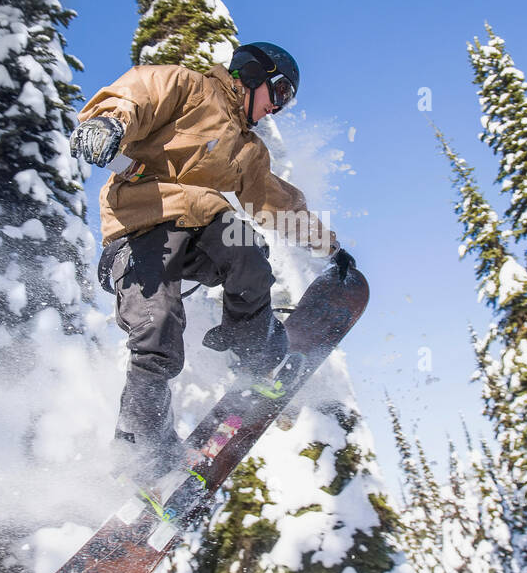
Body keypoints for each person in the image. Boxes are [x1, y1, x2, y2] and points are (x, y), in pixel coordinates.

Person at [69, 41, 354, 487]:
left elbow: (275, 202)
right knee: (157, 326)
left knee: (247, 248)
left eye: (287, 102)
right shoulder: (187, 87)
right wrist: (108, 123)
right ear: (253, 75)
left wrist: (328, 246)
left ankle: (254, 348)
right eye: (279, 94)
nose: (278, 109)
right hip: (142, 224)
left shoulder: (247, 149)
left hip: (202, 226)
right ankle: (142, 447)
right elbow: (136, 94)